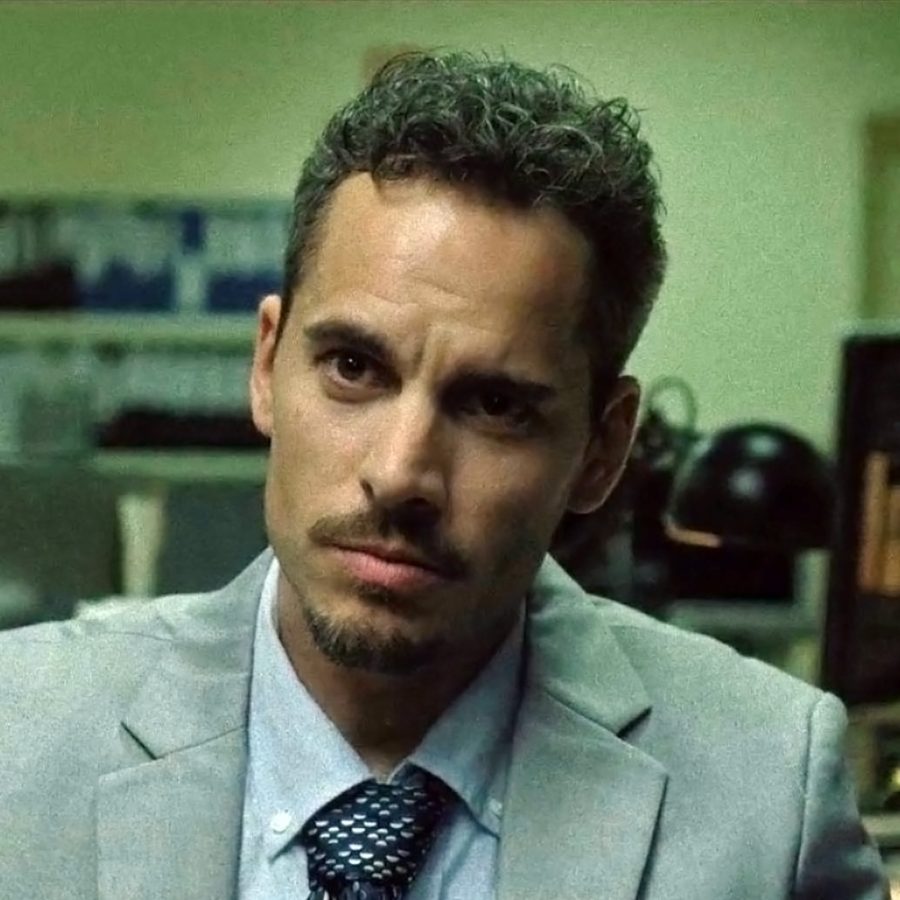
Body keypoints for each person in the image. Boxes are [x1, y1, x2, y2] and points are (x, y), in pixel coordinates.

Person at [0, 52, 887, 900]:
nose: (400, 474)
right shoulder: (20, 737)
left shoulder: (767, 787)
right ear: (267, 367)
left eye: (495, 405)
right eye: (353, 367)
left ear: (602, 449)